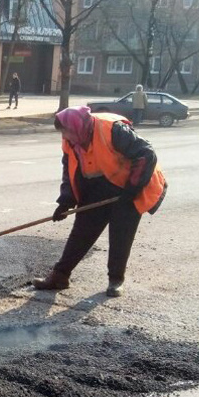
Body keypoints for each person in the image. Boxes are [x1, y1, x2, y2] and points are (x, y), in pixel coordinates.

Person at [32, 105, 166, 297]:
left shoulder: (113, 129)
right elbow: (70, 170)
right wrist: (66, 201)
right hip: (98, 185)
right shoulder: (70, 141)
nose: (66, 137)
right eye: (63, 133)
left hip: (129, 186)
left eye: (67, 132)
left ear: (77, 125)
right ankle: (60, 276)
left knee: (121, 235)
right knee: (81, 232)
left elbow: (146, 153)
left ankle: (116, 280)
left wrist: (132, 188)